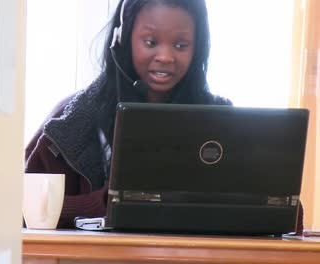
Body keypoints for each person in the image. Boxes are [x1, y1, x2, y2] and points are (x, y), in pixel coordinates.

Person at [25, 0, 303, 234]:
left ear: (198, 49)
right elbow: (21, 208)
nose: (166, 56)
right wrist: (105, 204)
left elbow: (289, 215)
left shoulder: (223, 123)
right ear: (122, 39)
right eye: (151, 41)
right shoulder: (71, 121)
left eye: (181, 45)